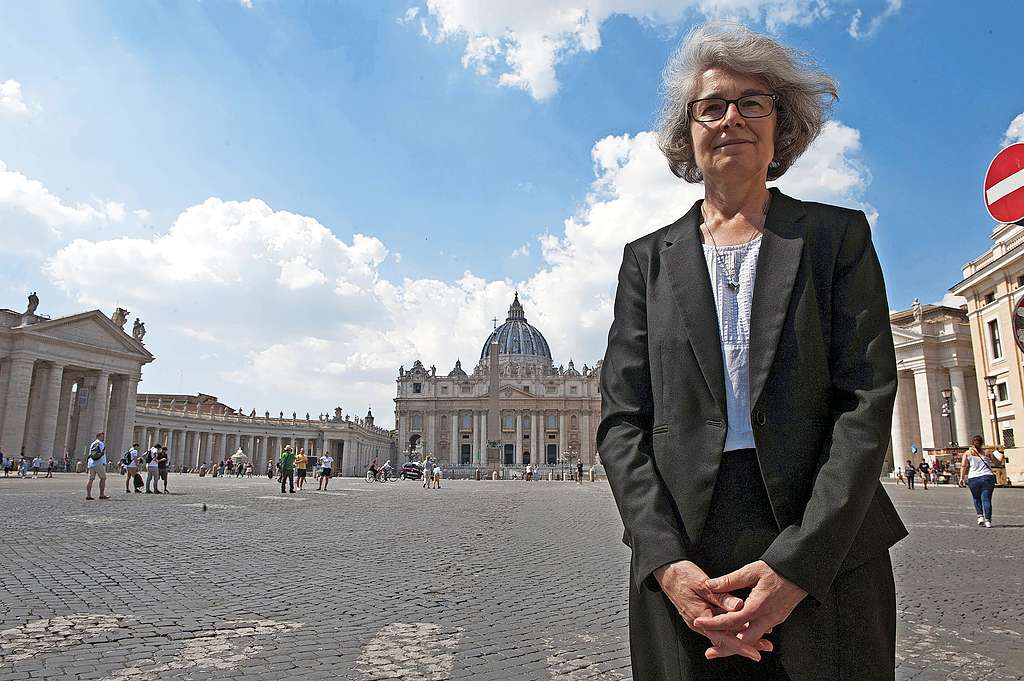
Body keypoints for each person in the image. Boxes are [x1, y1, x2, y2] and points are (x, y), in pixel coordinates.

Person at [597, 23, 906, 681]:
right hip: (686, 557)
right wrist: (666, 562)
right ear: (688, 134)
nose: (731, 118)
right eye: (711, 106)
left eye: (752, 102)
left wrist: (799, 564)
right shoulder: (645, 262)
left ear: (781, 126)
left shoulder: (837, 238)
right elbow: (622, 422)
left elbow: (866, 403)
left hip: (826, 543)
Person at [959, 435, 998, 528]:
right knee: (986, 499)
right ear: (982, 443)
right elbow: (997, 463)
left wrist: (961, 478)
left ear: (972, 443)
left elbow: (963, 466)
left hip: (973, 478)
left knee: (976, 498)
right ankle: (988, 521)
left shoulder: (967, 453)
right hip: (987, 477)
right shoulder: (987, 452)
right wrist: (999, 455)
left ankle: (980, 516)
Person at [86, 432, 110, 500]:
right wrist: (104, 462)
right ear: (98, 436)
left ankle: (88, 495)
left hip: (91, 463)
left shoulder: (92, 443)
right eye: (102, 436)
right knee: (103, 478)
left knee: (90, 479)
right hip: (98, 463)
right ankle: (102, 494)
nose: (103, 438)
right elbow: (102, 453)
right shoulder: (100, 443)